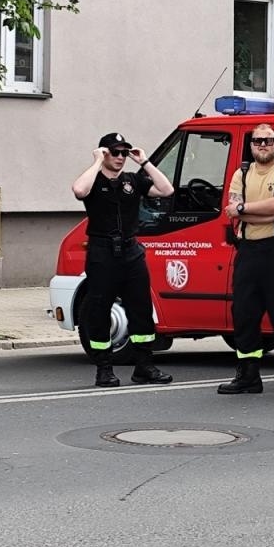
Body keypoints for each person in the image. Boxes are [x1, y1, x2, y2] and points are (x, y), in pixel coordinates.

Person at [71, 132, 175, 388]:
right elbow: (79, 190)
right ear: (104, 153)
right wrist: (97, 161)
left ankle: (144, 366)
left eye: (124, 153)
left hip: (131, 251)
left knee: (141, 309)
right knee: (100, 310)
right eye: (115, 152)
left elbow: (167, 189)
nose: (120, 157)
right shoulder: (93, 180)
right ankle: (104, 369)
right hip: (102, 252)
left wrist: (144, 162)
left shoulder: (133, 180)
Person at [218, 123, 274, 399]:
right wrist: (257, 213)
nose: (263, 145)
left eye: (268, 140)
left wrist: (244, 209)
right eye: (258, 141)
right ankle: (248, 376)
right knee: (244, 313)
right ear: (251, 145)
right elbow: (232, 211)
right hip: (247, 250)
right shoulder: (240, 174)